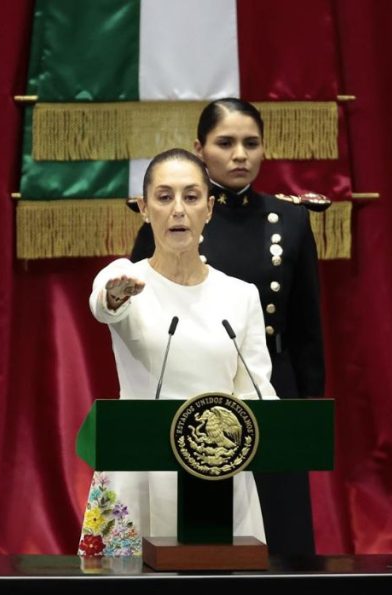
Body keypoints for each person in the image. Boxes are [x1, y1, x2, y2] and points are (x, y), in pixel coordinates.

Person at [130, 98, 325, 556]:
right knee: (199, 526)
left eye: (251, 143)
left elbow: (304, 322)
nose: (240, 154)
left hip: (271, 383)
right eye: (226, 143)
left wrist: (307, 398)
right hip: (195, 390)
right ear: (200, 149)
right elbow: (144, 311)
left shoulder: (290, 220)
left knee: (281, 524)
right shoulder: (178, 218)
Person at [78, 149, 275, 557]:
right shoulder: (127, 278)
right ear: (144, 208)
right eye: (164, 197)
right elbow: (104, 304)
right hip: (138, 471)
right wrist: (114, 297)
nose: (178, 210)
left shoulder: (240, 295)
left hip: (219, 473)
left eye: (191, 196)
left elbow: (257, 392)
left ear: (209, 208)